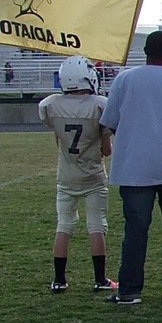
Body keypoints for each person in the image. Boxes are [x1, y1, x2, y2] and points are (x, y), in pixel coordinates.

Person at [99, 31, 162, 304]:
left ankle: (130, 289)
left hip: (133, 169)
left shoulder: (124, 80)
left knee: (135, 229)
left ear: (144, 51)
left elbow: (108, 123)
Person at [39, 56, 115, 294]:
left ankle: (59, 280)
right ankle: (100, 279)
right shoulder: (100, 104)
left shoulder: (51, 104)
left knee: (64, 225)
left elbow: (57, 139)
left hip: (67, 175)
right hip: (93, 173)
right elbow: (106, 150)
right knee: (96, 225)